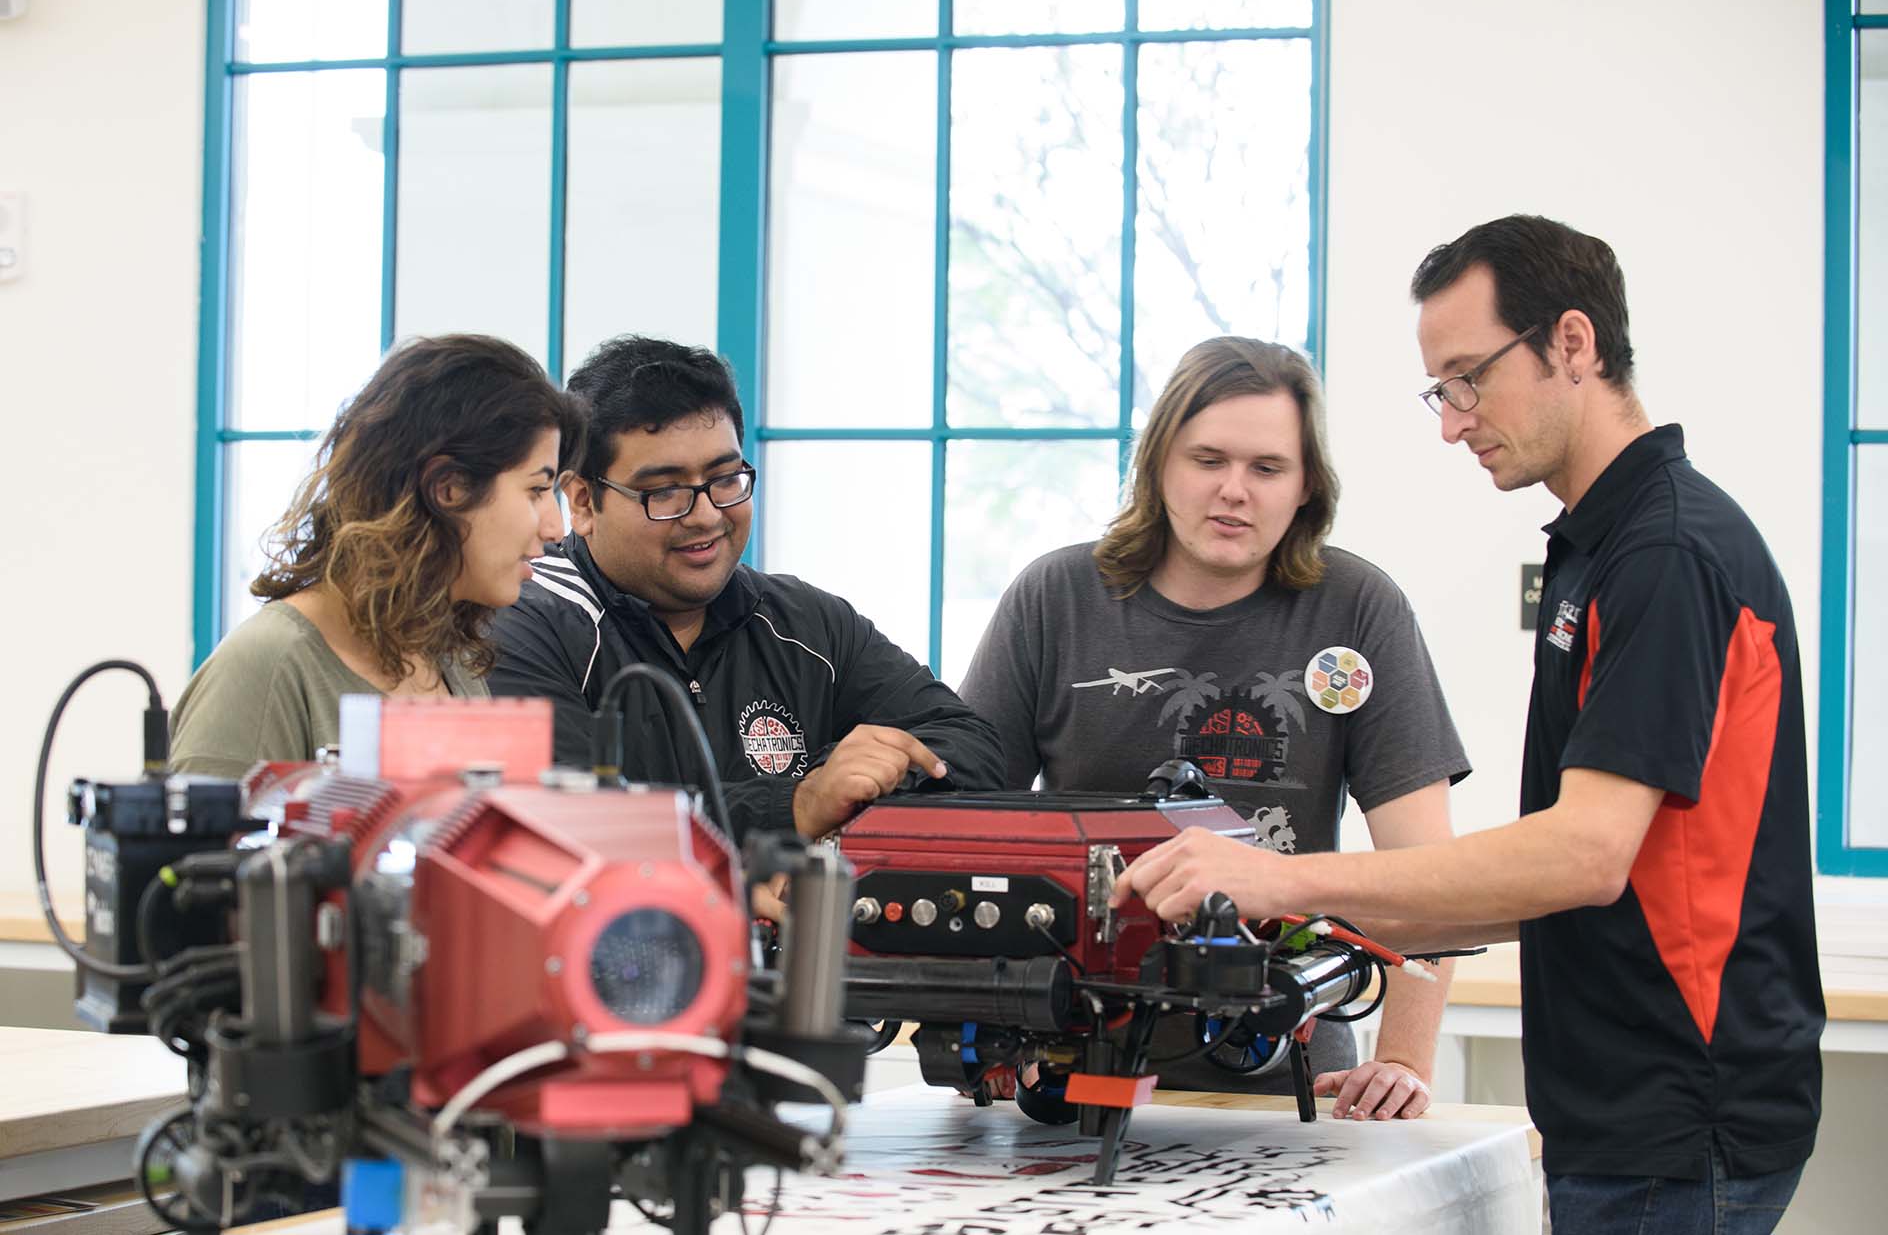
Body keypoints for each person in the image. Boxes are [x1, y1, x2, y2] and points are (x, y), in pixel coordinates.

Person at [1114, 217, 1823, 1234]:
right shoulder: (1598, 549)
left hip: (1679, 1121)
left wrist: (1278, 879)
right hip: (1624, 1115)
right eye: (1438, 390)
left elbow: (1582, 860)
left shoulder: (1666, 555)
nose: (1452, 422)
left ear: (1570, 344)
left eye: (1467, 379)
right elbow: (1549, 882)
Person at [959, 336, 1469, 1119]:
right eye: (1208, 460)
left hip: (1291, 1076)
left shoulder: (1358, 608)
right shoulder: (1054, 598)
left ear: (1306, 488)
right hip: (1070, 1060)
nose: (1235, 490)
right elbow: (966, 833)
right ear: (1160, 464)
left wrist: (1403, 1058)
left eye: (1267, 468)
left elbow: (1427, 870)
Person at [487, 335, 1005, 848]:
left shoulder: (806, 622)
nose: (708, 515)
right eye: (665, 492)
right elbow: (570, 819)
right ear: (581, 502)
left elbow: (969, 745)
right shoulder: (526, 619)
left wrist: (861, 778)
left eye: (726, 478)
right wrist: (799, 804)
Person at [169, 334, 585, 777]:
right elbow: (204, 847)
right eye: (537, 490)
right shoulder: (267, 666)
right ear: (449, 488)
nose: (555, 528)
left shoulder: (453, 663)